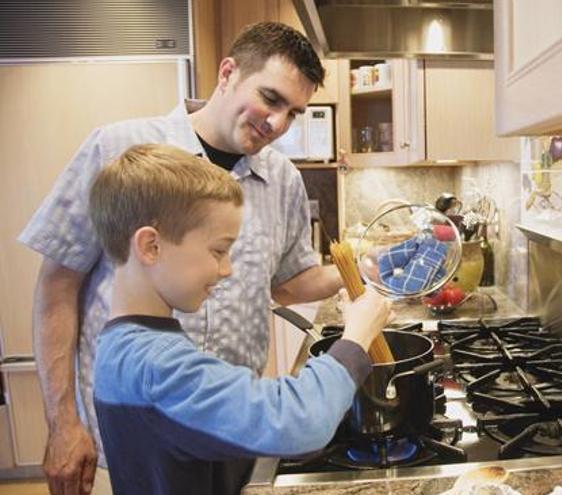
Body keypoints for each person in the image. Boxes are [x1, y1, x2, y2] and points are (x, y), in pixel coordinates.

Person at [19, 22, 344, 495]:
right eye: (270, 99)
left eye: (293, 113)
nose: (277, 125)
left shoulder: (283, 179)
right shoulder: (119, 150)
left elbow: (287, 283)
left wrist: (363, 273)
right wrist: (63, 422)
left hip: (232, 430)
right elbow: (57, 285)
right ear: (228, 73)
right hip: (131, 439)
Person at [87, 143, 390, 494]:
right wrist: (356, 336)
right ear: (151, 246)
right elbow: (301, 423)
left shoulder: (125, 344)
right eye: (219, 250)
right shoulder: (155, 366)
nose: (228, 269)